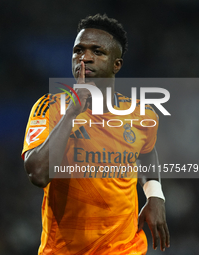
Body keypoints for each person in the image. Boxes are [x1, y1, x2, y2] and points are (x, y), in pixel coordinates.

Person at [21, 14, 170, 255]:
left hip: (125, 249)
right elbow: (38, 174)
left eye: (97, 52)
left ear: (116, 64)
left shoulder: (142, 114)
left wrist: (155, 195)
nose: (85, 58)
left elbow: (146, 152)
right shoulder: (50, 107)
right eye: (78, 50)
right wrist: (72, 113)